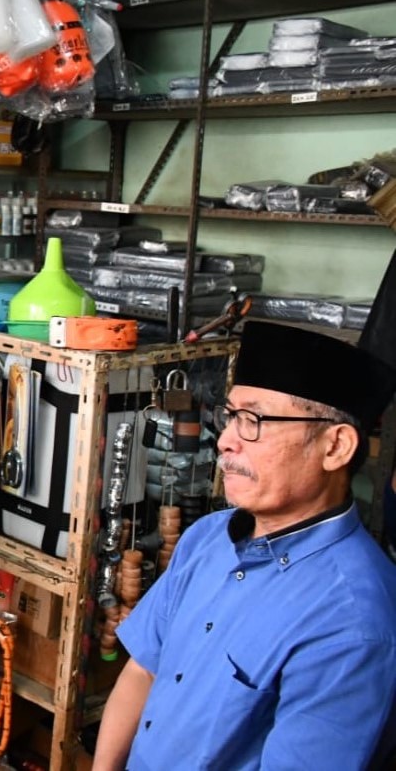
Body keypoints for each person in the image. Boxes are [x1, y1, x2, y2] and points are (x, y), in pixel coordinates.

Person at [94, 321, 396, 771]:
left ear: (335, 446)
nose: (227, 440)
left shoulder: (352, 621)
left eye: (255, 420)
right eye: (232, 416)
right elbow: (143, 669)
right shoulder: (209, 536)